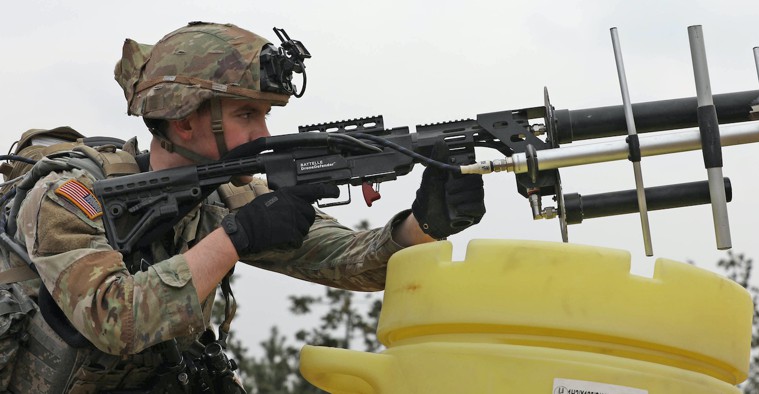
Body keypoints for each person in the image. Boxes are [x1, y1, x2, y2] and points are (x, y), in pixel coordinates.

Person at [1, 21, 485, 393]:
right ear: (185, 119)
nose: (264, 135)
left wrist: (421, 227)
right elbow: (117, 321)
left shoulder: (224, 197)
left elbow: (344, 259)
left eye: (266, 115)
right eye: (246, 114)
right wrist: (235, 239)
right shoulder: (67, 196)